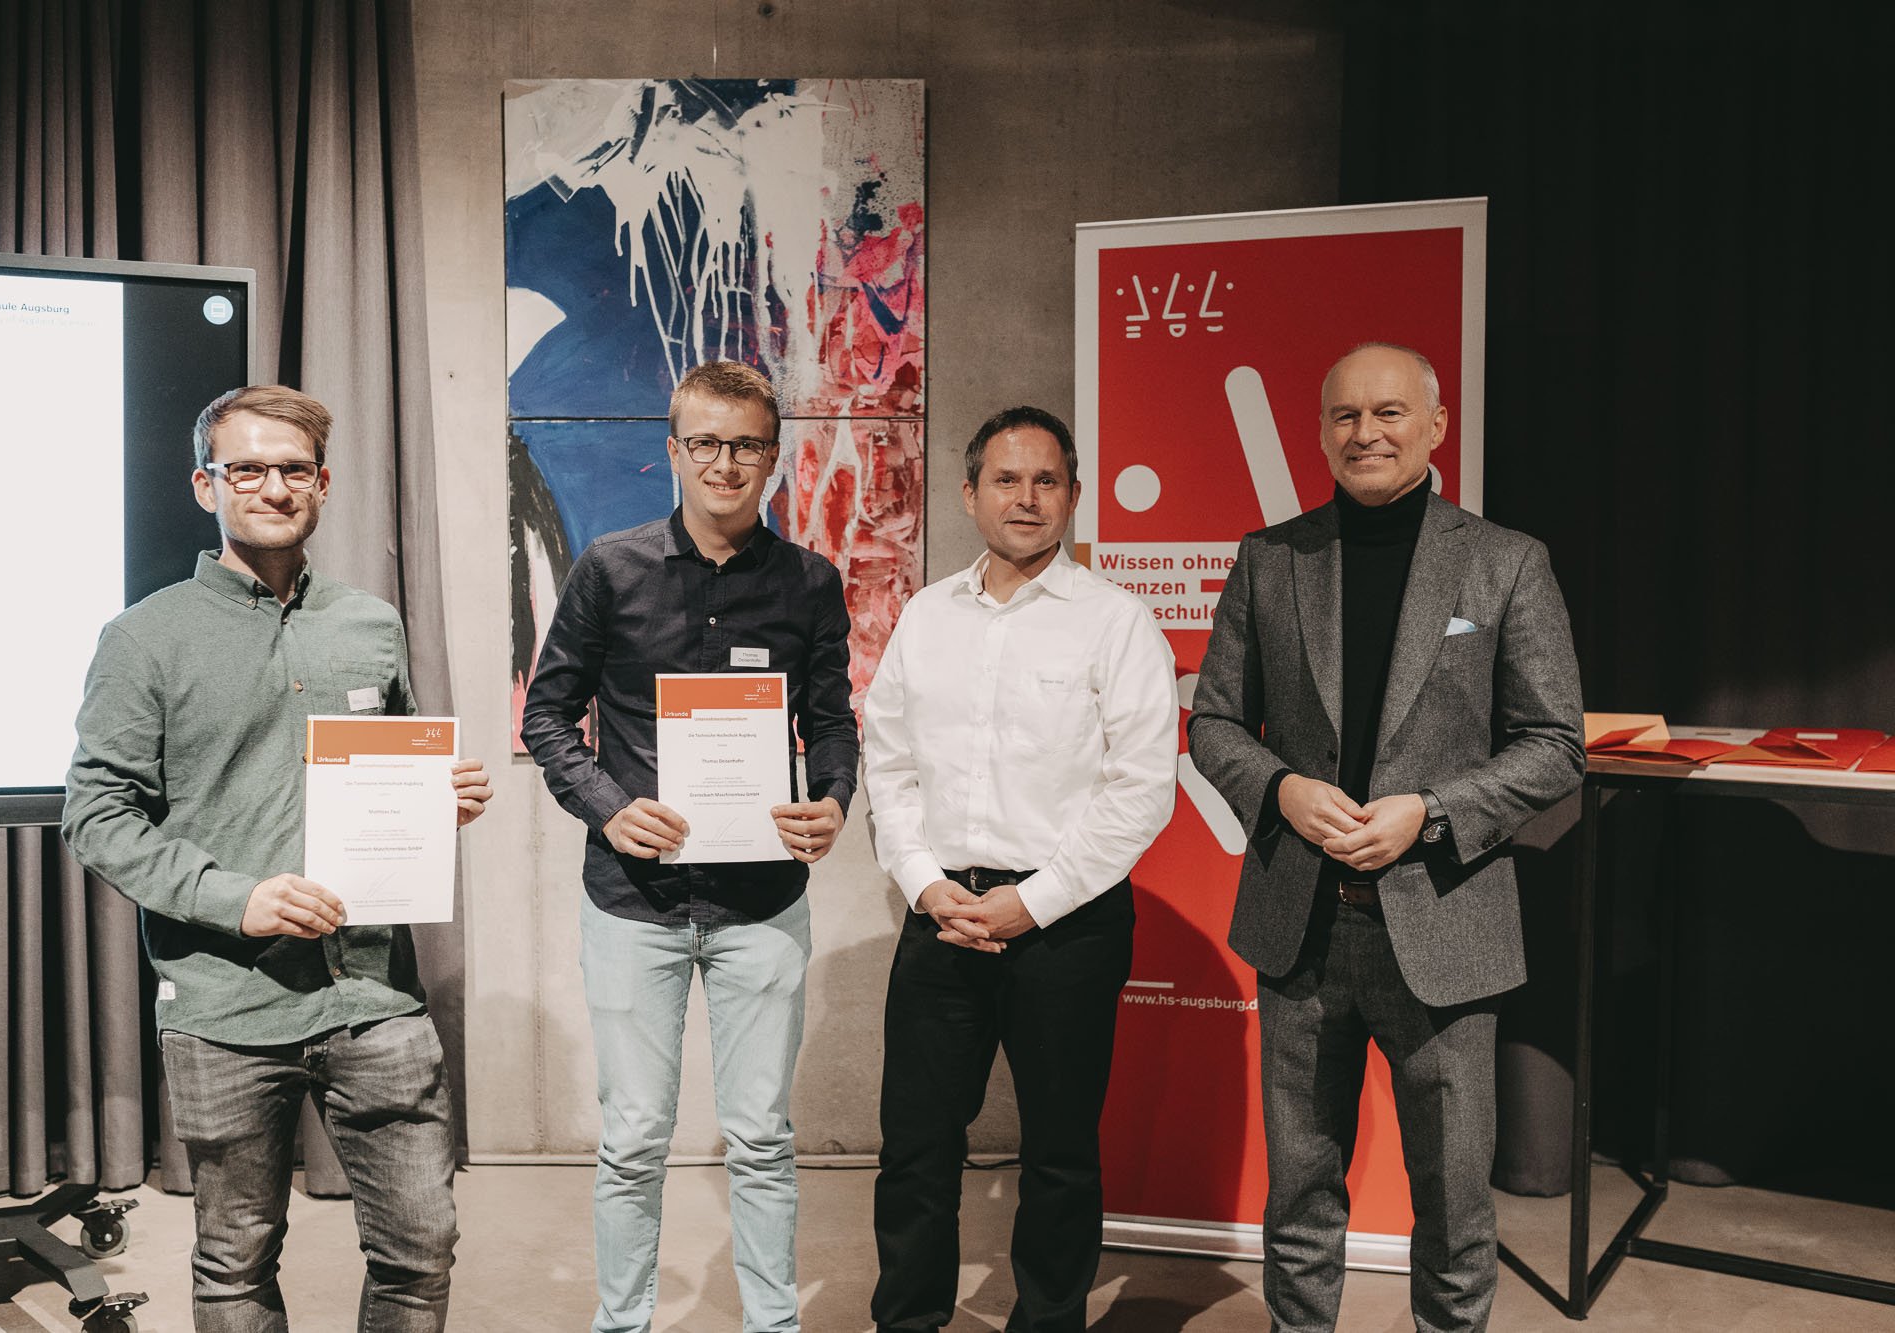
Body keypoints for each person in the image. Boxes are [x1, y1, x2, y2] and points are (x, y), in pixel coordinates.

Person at [63, 384, 492, 1332]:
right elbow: (94, 814)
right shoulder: (144, 637)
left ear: (323, 485)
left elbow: (389, 776)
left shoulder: (371, 623)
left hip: (374, 993)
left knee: (421, 1251)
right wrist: (235, 898)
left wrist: (436, 802)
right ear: (205, 485)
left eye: (294, 468)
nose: (273, 486)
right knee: (235, 1263)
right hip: (226, 1002)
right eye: (247, 467)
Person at [1187, 343, 1585, 1332]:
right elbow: (1214, 723)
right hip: (1300, 929)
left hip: (1445, 929)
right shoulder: (1270, 558)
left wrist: (1432, 810)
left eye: (1389, 412)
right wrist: (1279, 789)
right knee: (1299, 1194)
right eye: (1345, 415)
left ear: (1435, 426)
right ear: (1322, 430)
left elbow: (1555, 746)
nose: (1365, 433)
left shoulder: (1504, 561)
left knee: (1452, 1204)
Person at [520, 360, 857, 1333]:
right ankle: (621, 1322)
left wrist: (832, 799)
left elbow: (832, 721)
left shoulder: (809, 583)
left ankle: (771, 1325)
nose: (724, 462)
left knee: (761, 1137)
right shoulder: (609, 569)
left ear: (772, 455)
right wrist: (607, 807)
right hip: (635, 901)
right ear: (673, 450)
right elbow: (547, 716)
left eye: (745, 444)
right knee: (632, 1139)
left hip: (762, 905)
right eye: (704, 442)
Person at [862, 406, 1178, 1333]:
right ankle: (908, 1319)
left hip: (1067, 923)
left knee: (1060, 1153)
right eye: (1006, 479)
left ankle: (1047, 1321)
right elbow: (889, 763)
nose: (1026, 498)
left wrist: (1029, 904)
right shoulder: (926, 616)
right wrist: (924, 883)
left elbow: (1141, 789)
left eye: (1047, 481)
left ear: (1074, 496)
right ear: (970, 494)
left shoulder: (1117, 622)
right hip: (941, 914)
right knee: (916, 1145)